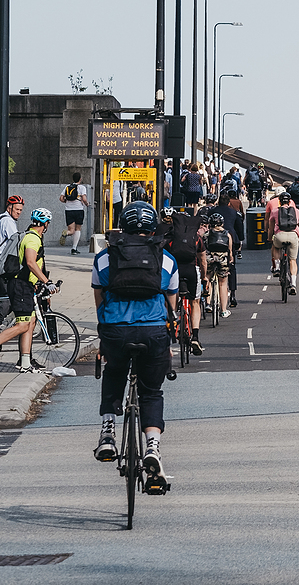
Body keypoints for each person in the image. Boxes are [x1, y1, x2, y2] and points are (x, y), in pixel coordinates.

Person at [91, 200, 177, 482]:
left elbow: (99, 295)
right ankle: (152, 446)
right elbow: (171, 303)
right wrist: (169, 338)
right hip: (153, 331)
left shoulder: (105, 257)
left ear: (122, 225)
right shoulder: (165, 258)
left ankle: (107, 432)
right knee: (151, 391)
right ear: (153, 227)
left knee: (114, 372)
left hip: (116, 329)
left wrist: (105, 333)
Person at [0, 208, 57, 371]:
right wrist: (46, 281)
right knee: (22, 325)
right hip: (20, 285)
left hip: (26, 285)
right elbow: (30, 262)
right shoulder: (33, 239)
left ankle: (25, 363)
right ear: (45, 224)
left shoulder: (29, 235)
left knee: (30, 323)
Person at [163, 205, 206, 355]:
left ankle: (172, 324)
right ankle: (195, 336)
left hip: (175, 271)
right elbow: (203, 261)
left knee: (171, 299)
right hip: (191, 270)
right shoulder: (196, 239)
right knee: (195, 301)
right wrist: (205, 277)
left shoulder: (171, 238)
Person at [0, 196, 25, 319]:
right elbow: (15, 241)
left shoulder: (0, 217)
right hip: (2, 261)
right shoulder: (8, 221)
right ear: (9, 208)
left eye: (20, 210)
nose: (19, 213)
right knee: (9, 294)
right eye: (17, 209)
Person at [201, 207, 236, 319]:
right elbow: (230, 251)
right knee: (223, 283)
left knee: (208, 278)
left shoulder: (206, 234)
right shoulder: (227, 234)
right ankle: (224, 310)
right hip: (222, 259)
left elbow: (202, 248)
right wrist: (230, 259)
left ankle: (207, 304)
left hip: (210, 258)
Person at [214, 188, 244, 308]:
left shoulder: (213, 211)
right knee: (231, 268)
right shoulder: (233, 213)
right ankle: (232, 295)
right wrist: (240, 239)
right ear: (228, 203)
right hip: (229, 240)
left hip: (213, 240)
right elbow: (239, 227)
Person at [270, 194, 299, 294]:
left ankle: (277, 267)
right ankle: (293, 284)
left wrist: (269, 238)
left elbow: (271, 228)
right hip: (293, 236)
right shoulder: (296, 211)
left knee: (275, 246)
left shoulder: (275, 211)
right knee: (292, 260)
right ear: (289, 201)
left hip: (280, 235)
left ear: (279, 201)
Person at [58, 172, 90, 254]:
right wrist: (87, 204)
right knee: (78, 229)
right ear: (80, 179)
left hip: (69, 210)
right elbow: (84, 198)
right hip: (79, 210)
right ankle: (74, 248)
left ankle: (67, 233)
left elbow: (61, 198)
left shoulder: (67, 187)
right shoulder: (82, 187)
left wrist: (66, 201)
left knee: (71, 230)